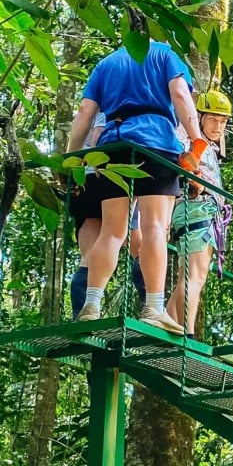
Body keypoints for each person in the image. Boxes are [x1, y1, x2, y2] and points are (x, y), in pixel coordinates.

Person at [66, 9, 207, 334]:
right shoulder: (164, 54)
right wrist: (197, 141)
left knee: (112, 231)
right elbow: (180, 95)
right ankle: (154, 308)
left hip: (114, 147)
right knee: (155, 226)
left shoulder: (107, 64)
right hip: (155, 142)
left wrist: (72, 158)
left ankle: (91, 303)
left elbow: (86, 111)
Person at [166, 87, 232, 337]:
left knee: (189, 273)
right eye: (213, 119)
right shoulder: (190, 140)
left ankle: (169, 321)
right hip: (199, 207)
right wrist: (195, 180)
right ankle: (188, 333)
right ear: (200, 117)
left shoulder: (206, 146)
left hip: (193, 209)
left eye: (223, 121)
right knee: (195, 274)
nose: (218, 126)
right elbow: (183, 161)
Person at [67, 112, 145, 318]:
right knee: (135, 242)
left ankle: (81, 313)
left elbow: (79, 131)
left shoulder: (88, 107)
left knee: (91, 254)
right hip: (107, 174)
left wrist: (68, 166)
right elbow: (99, 133)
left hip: (83, 178)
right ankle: (151, 305)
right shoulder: (113, 104)